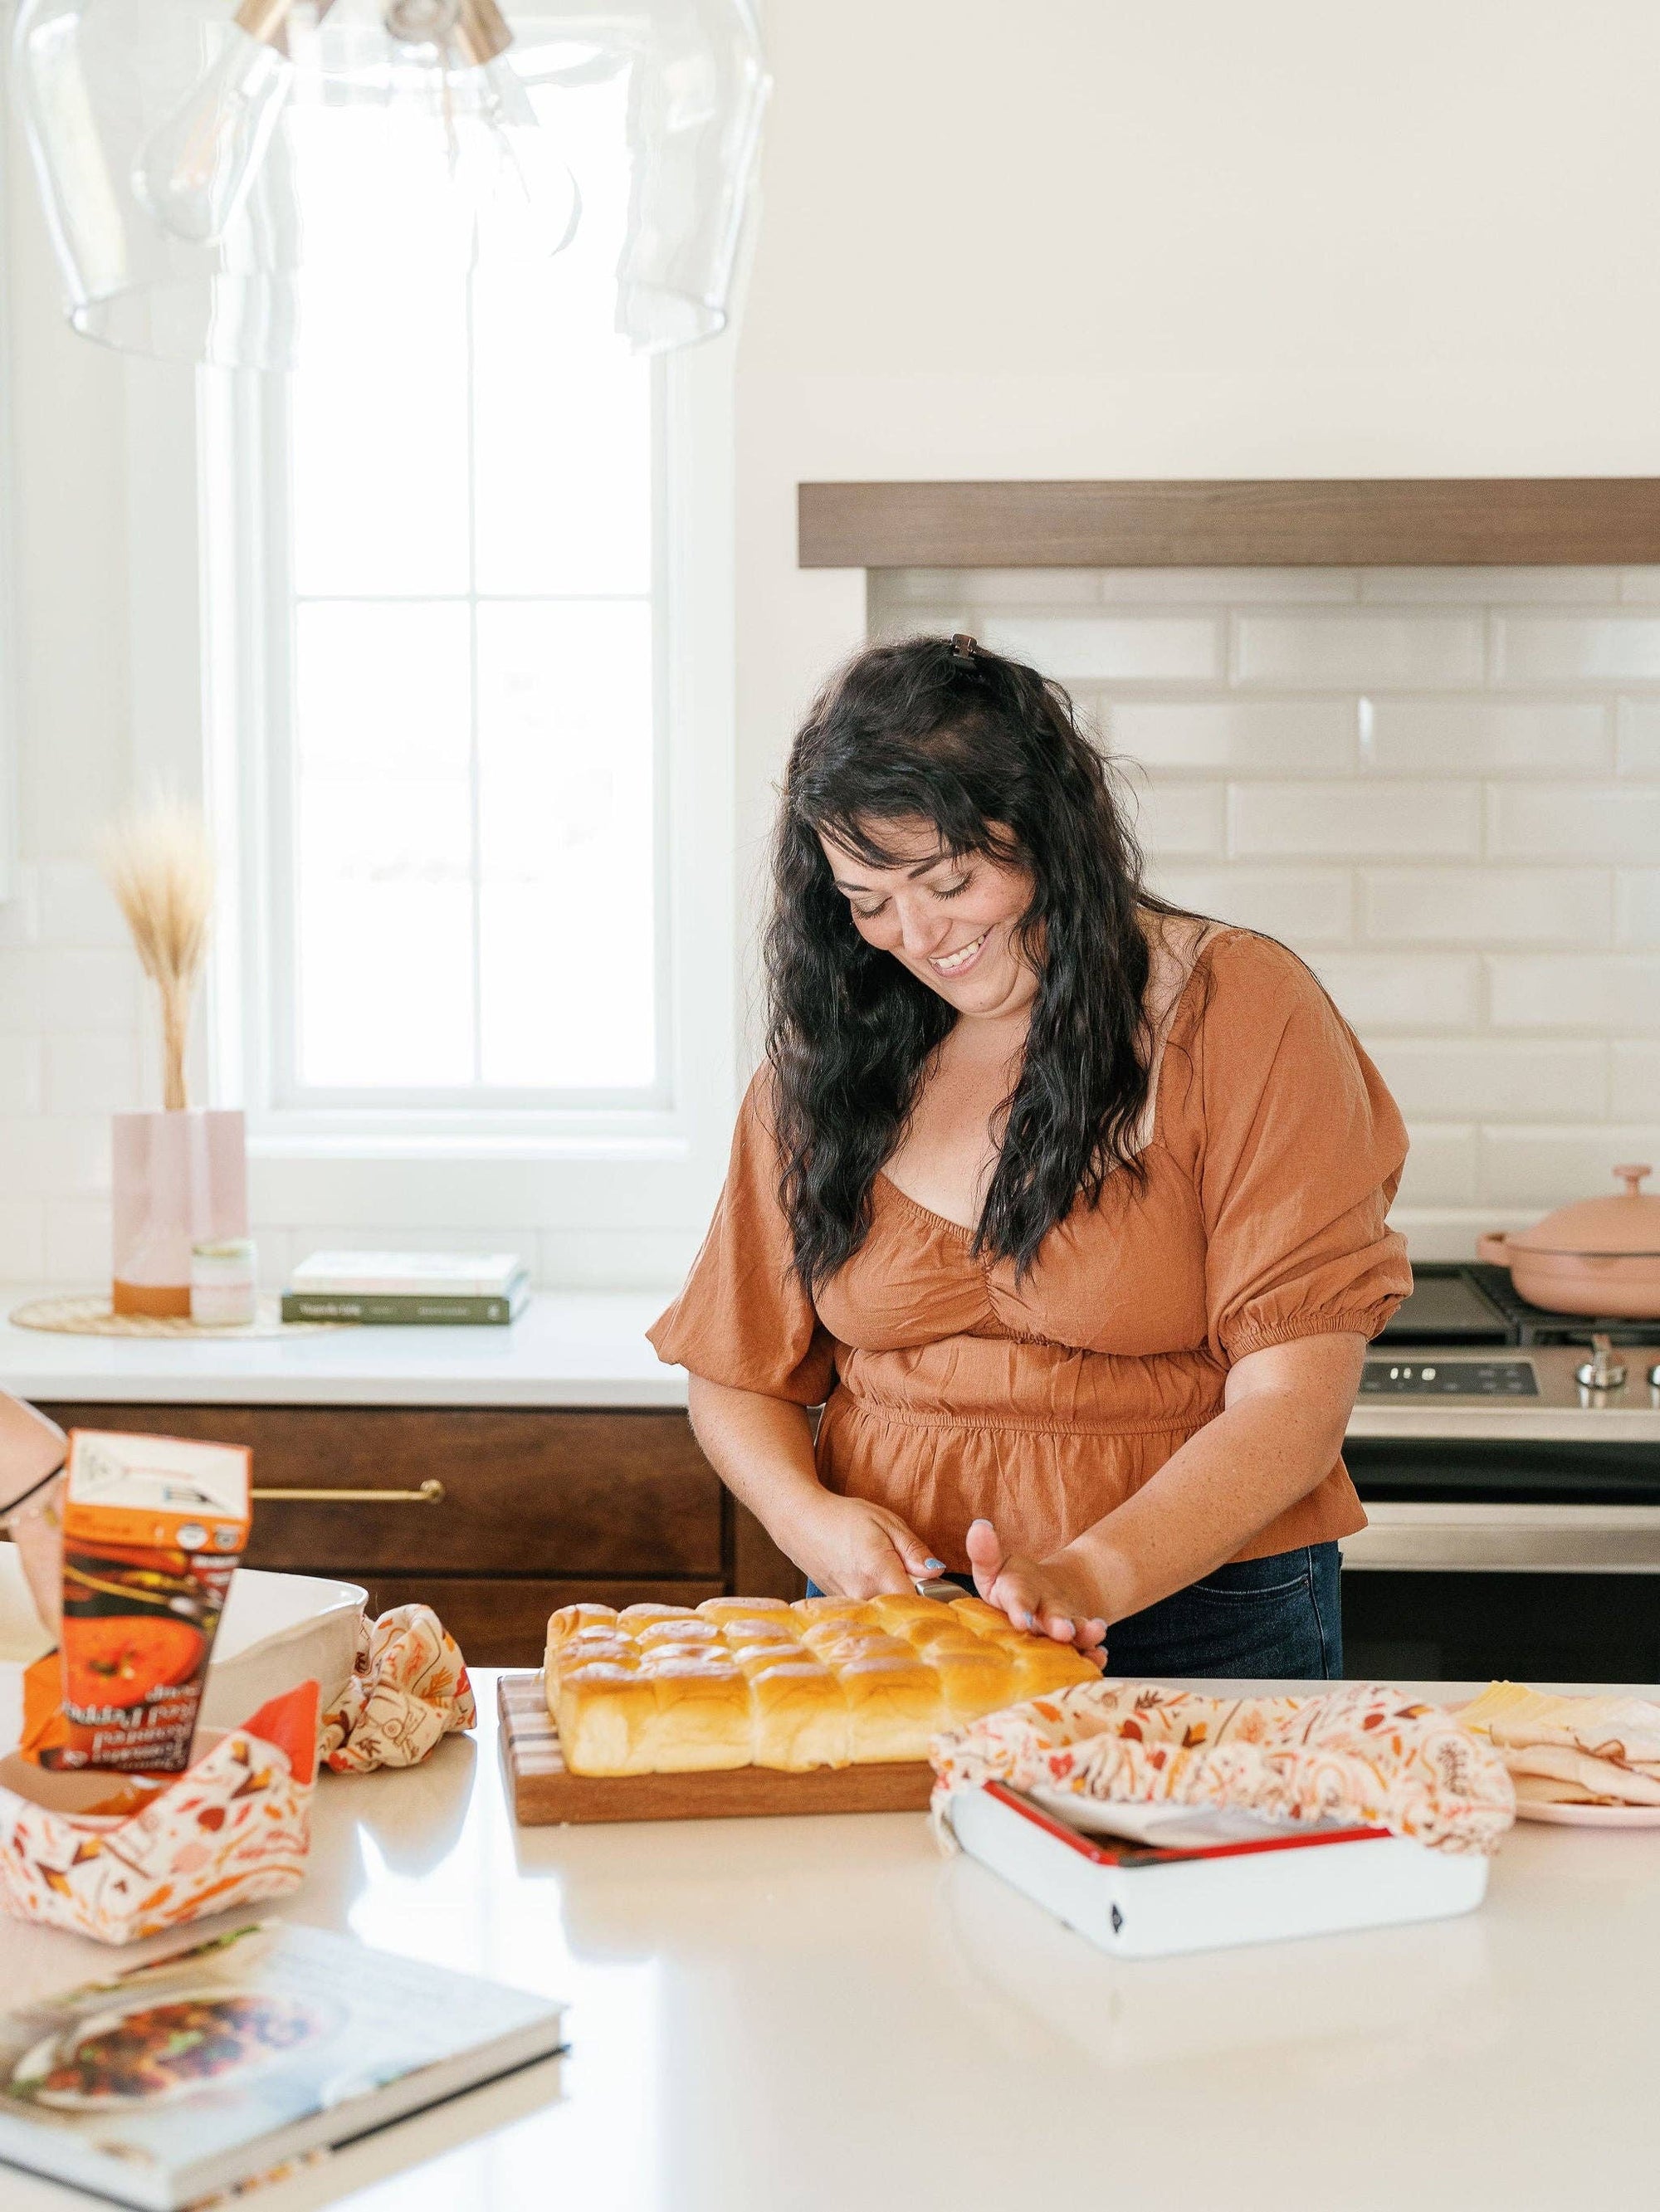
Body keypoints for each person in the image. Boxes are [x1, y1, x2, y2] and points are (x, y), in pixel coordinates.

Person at [648, 635, 1410, 1677]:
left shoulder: (1240, 1012)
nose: (915, 936)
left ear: (1047, 829)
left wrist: (1088, 1577)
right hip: (888, 1628)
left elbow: (1293, 1404)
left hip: (1200, 1615)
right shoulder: (834, 1056)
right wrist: (812, 1523)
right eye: (866, 902)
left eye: (948, 880)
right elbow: (736, 1371)